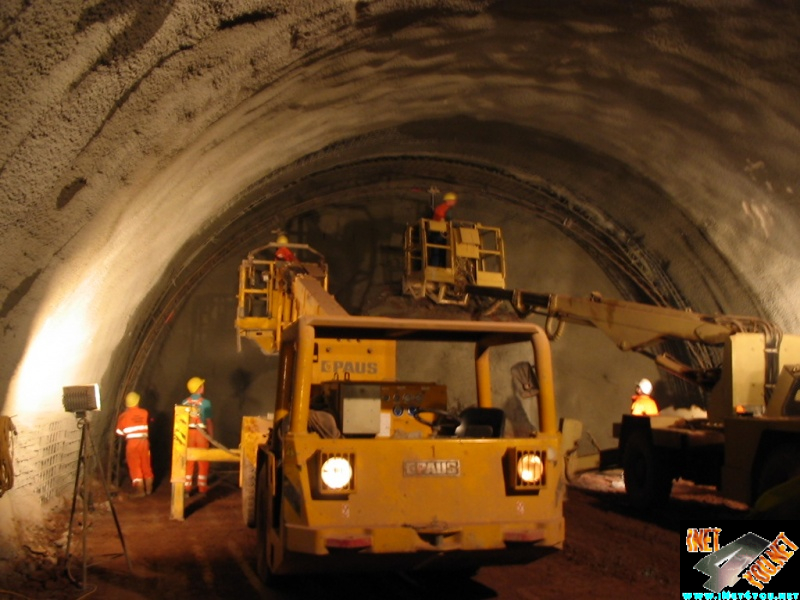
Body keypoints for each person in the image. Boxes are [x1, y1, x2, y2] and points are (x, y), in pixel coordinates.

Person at [115, 391, 154, 497]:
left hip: (132, 443)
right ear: (138, 401)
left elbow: (119, 432)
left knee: (135, 466)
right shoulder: (144, 412)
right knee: (146, 464)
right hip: (144, 442)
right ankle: (149, 489)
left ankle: (140, 491)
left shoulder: (123, 416)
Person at [182, 377, 214, 495]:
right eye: (202, 385)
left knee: (189, 460)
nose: (203, 387)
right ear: (199, 388)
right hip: (201, 434)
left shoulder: (184, 402)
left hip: (188, 434)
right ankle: (202, 487)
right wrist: (211, 437)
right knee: (203, 459)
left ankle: (187, 488)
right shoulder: (206, 403)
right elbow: (209, 421)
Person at [429, 192, 458, 267]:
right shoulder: (442, 208)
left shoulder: (446, 209)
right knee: (438, 251)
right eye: (453, 201)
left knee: (441, 251)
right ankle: (435, 267)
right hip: (438, 232)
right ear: (448, 201)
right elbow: (441, 218)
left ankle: (439, 266)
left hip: (441, 232)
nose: (454, 202)